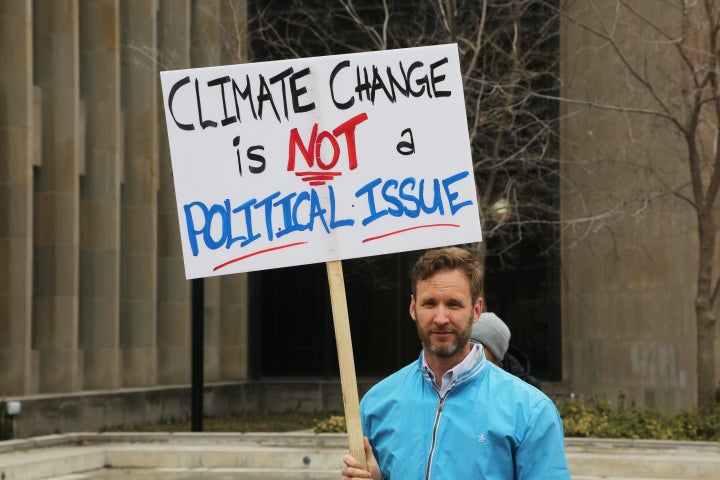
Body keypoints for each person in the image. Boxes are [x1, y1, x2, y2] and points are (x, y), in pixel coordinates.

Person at [341, 246, 570, 479]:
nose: (441, 318)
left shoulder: (531, 410)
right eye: (429, 303)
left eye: (454, 304)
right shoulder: (376, 403)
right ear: (413, 308)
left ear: (476, 310)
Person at [472, 312, 543, 390]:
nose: (470, 349)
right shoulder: (459, 379)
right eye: (466, 344)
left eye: (477, 344)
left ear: (495, 352)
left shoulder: (527, 388)